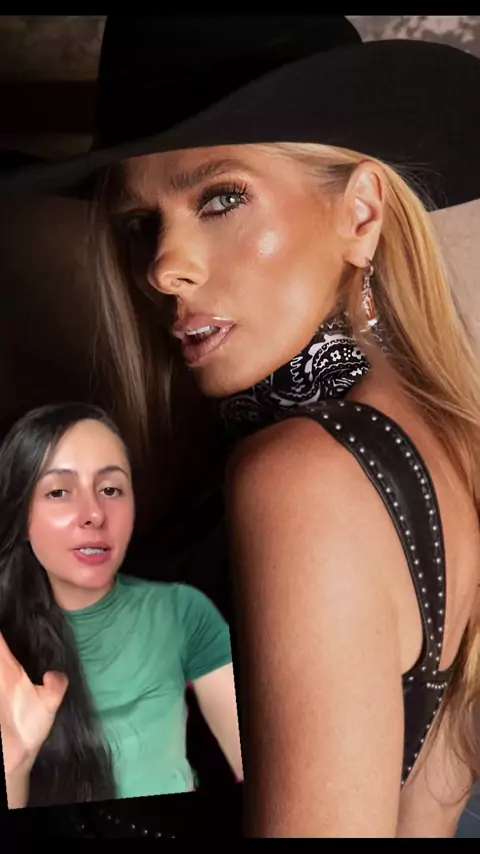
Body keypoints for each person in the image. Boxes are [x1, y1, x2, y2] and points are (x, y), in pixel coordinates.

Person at [2, 14, 480, 839]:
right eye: (139, 224)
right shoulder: (441, 447)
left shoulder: (301, 478)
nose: (164, 267)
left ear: (362, 214)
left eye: (220, 198)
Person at [0, 402, 242, 820]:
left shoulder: (181, 612)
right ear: (21, 516)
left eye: (111, 489)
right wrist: (15, 765)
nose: (95, 514)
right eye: (59, 492)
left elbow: (275, 780)